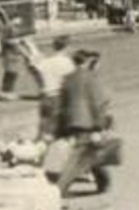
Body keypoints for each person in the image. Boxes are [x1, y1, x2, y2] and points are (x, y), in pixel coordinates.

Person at [47, 49, 117, 195]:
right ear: (86, 62)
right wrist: (101, 123)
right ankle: (60, 188)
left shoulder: (67, 78)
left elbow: (62, 103)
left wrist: (60, 127)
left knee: (88, 152)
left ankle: (103, 182)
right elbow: (98, 101)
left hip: (72, 122)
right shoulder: (90, 77)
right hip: (88, 122)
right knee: (80, 156)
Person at [0, 14, 26, 100]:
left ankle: (8, 91)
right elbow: (6, 40)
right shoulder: (9, 28)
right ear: (14, 19)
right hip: (10, 54)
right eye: (19, 19)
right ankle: (6, 92)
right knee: (11, 73)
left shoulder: (12, 28)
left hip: (13, 53)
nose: (20, 21)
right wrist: (19, 42)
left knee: (12, 73)